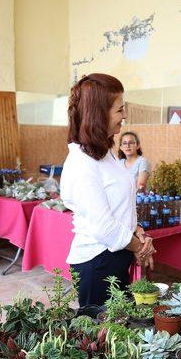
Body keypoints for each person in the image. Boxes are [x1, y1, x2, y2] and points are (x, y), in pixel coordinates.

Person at [60, 74, 155, 306]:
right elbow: (104, 226)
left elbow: (118, 206)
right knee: (101, 334)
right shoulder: (82, 162)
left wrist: (138, 232)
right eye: (119, 110)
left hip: (116, 254)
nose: (124, 115)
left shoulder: (104, 154)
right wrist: (140, 247)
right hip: (98, 262)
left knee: (118, 329)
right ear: (99, 114)